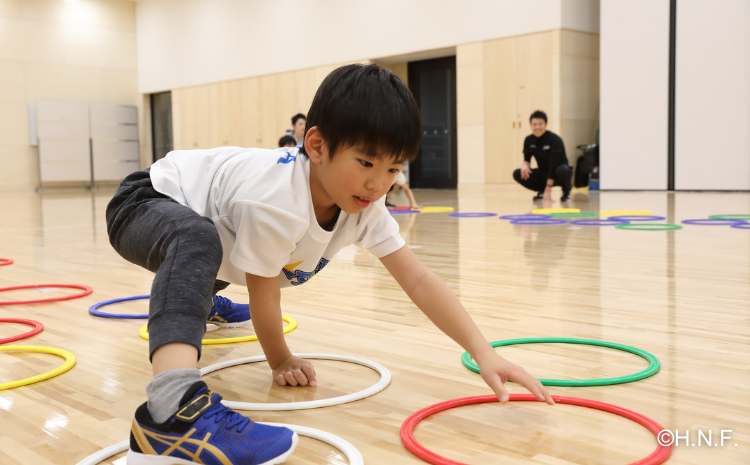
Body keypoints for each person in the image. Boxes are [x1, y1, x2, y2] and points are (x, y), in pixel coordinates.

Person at [106, 64, 553, 465]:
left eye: (394, 169)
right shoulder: (276, 201)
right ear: (317, 146)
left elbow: (418, 279)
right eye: (366, 162)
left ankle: (204, 303)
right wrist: (280, 360)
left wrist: (483, 351)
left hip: (215, 228)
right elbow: (266, 293)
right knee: (198, 241)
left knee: (216, 247)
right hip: (145, 201)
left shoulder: (364, 206)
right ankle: (171, 408)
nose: (379, 183)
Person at [513, 110, 572, 202]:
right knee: (517, 173)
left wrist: (548, 190)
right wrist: (524, 164)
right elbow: (527, 159)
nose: (537, 127)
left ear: (546, 124)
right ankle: (541, 190)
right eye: (534, 124)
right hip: (543, 172)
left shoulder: (554, 139)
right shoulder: (528, 140)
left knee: (563, 171)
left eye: (540, 124)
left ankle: (566, 191)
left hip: (557, 172)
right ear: (531, 125)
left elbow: (553, 165)